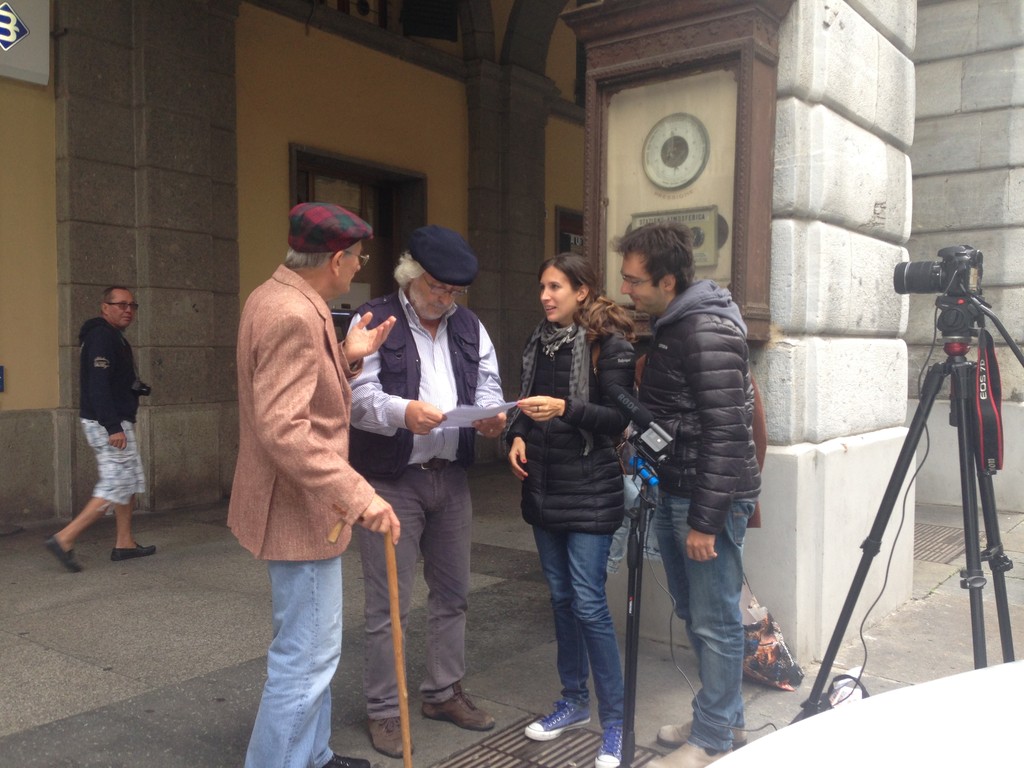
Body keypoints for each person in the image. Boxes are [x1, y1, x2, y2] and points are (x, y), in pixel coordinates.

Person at [228, 202, 401, 768]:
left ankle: (313, 755)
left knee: (312, 651)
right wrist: (360, 495)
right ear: (335, 258)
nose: (358, 267)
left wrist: (347, 359)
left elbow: (295, 393)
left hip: (299, 505)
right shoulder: (295, 314)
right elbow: (284, 427)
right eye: (358, 258)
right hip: (298, 509)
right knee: (305, 658)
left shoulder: (276, 295)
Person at [349, 225, 507, 759]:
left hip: (451, 477)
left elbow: (487, 383)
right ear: (410, 275)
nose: (446, 299)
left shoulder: (469, 325)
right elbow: (356, 398)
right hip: (391, 480)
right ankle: (383, 709)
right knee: (388, 604)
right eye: (437, 287)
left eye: (454, 291)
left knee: (454, 593)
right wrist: (403, 413)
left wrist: (491, 416)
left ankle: (442, 691)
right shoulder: (374, 318)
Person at [615, 222, 760, 768]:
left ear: (668, 281)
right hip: (680, 488)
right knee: (696, 611)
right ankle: (722, 719)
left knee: (714, 620)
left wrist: (704, 521)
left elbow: (727, 432)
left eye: (634, 281)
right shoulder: (676, 324)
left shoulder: (703, 329)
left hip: (703, 498)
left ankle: (713, 738)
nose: (625, 289)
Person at [506, 253, 636, 768]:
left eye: (555, 287)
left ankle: (616, 723)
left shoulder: (610, 345)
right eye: (542, 286)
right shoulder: (539, 341)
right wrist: (517, 435)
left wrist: (566, 408)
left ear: (582, 291)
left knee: (588, 603)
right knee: (561, 599)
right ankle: (574, 701)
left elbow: (618, 418)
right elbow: (524, 404)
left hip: (591, 490)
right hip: (543, 487)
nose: (545, 296)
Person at [45, 286, 154, 572]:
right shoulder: (102, 337)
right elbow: (98, 385)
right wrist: (112, 426)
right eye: (120, 304)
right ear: (105, 307)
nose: (128, 310)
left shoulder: (112, 336)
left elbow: (110, 381)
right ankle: (64, 538)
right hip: (108, 423)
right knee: (116, 484)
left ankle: (125, 543)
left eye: (132, 305)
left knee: (129, 479)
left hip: (115, 419)